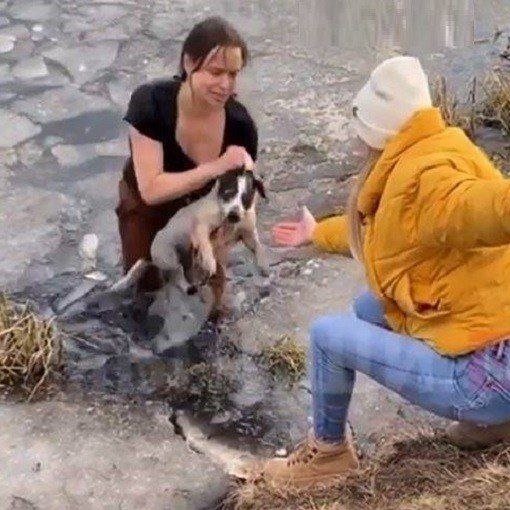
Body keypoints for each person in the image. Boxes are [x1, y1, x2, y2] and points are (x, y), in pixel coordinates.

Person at [264, 55, 510, 488]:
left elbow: (484, 208)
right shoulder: (435, 149)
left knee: (327, 336)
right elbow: (381, 235)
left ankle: (328, 455)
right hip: (496, 343)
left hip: (489, 379)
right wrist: (316, 233)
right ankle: (496, 424)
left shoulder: (428, 182)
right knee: (368, 307)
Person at [116, 17, 257, 291]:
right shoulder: (151, 103)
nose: (225, 85)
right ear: (189, 63)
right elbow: (151, 190)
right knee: (145, 287)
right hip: (146, 207)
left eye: (233, 74)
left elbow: (245, 190)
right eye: (216, 72)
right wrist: (216, 167)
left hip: (203, 210)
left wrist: (225, 233)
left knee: (210, 293)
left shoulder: (240, 125)